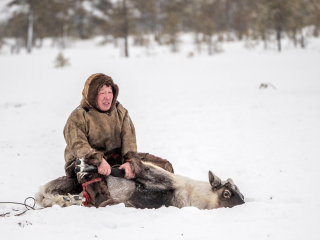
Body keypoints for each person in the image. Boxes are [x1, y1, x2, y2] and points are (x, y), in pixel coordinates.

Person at [63, 73, 174, 207]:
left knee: (164, 167)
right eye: (102, 92)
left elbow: (129, 140)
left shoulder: (120, 111)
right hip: (85, 161)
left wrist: (130, 162)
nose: (107, 97)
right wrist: (98, 161)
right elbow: (78, 145)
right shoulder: (79, 116)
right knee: (101, 198)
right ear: (92, 95)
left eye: (110, 92)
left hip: (115, 157)